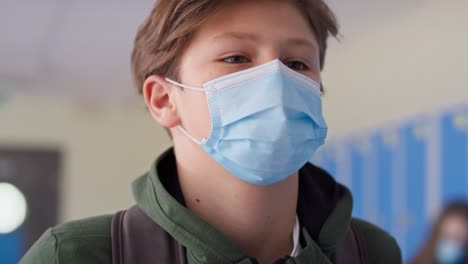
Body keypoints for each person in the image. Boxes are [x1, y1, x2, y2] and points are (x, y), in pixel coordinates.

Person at [19, 0, 401, 263]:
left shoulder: (371, 252)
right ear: (164, 100)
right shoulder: (75, 255)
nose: (276, 79)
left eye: (297, 63)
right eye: (236, 58)